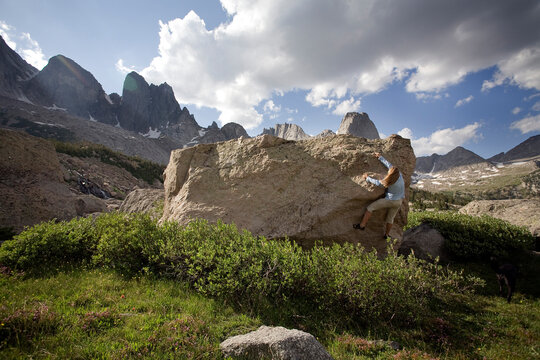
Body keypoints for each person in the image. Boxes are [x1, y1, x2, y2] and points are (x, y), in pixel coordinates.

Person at [353, 152, 405, 238]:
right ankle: (387, 234)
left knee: (370, 208)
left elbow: (376, 182)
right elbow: (390, 165)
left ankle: (362, 225)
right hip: (399, 201)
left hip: (390, 201)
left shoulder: (388, 182)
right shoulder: (400, 175)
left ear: (390, 174)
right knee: (390, 218)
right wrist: (380, 157)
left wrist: (367, 178)